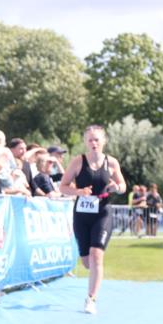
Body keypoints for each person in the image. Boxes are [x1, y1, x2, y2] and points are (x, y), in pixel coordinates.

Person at [59, 125, 126, 314]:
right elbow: (62, 187)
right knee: (87, 262)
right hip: (81, 213)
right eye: (90, 140)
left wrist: (116, 188)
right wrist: (78, 191)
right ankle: (92, 280)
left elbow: (122, 186)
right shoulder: (77, 162)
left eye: (97, 139)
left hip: (103, 211)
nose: (94, 143)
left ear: (103, 141)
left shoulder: (111, 163)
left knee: (97, 255)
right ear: (85, 142)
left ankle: (91, 299)